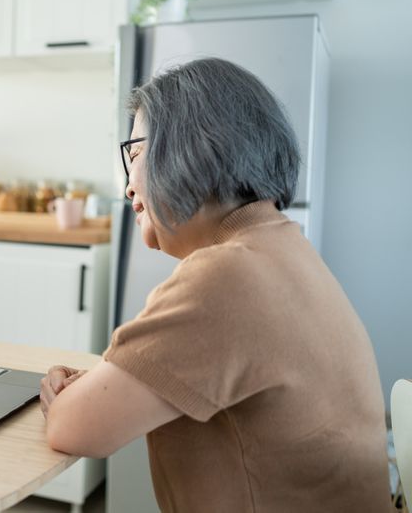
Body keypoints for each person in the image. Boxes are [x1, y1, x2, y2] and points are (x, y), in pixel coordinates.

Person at [40, 58, 389, 512]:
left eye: (135, 154)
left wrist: (63, 399)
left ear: (191, 147)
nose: (128, 188)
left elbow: (75, 428)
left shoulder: (225, 278)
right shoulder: (285, 251)